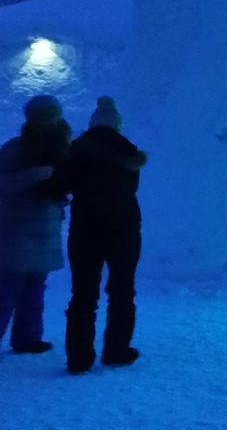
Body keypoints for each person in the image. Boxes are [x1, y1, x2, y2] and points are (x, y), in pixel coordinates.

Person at [61, 96, 147, 373]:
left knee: (82, 294)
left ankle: (79, 358)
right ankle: (116, 350)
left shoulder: (76, 151)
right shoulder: (129, 152)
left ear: (92, 124)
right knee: (122, 291)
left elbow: (63, 184)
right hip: (124, 229)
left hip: (85, 228)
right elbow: (130, 189)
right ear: (117, 125)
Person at [0, 94, 72, 355]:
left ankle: (28, 338)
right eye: (45, 116)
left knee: (35, 287)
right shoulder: (15, 149)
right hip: (16, 229)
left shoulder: (62, 149)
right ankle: (25, 337)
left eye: (54, 115)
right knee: (6, 290)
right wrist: (36, 175)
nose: (51, 121)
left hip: (45, 227)